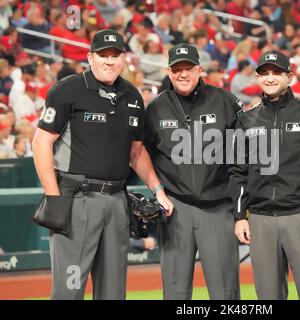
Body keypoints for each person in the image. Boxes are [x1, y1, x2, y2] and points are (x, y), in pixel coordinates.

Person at [32, 29, 173, 300]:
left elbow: (137, 151)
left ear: (123, 59)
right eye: (103, 55)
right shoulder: (67, 89)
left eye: (115, 55)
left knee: (113, 291)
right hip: (77, 199)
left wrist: (157, 189)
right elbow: (41, 143)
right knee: (69, 289)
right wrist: (53, 196)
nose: (109, 61)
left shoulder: (132, 96)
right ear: (90, 57)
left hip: (117, 201)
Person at [231, 50, 300, 300]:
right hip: (260, 219)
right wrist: (239, 216)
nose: (270, 78)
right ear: (257, 78)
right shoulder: (246, 120)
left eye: (277, 72)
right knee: (268, 296)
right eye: (264, 73)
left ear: (289, 77)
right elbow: (238, 172)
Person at [144, 43, 242, 300]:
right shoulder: (155, 109)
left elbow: (245, 155)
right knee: (175, 291)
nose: (183, 74)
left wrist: (241, 205)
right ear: (168, 71)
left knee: (225, 292)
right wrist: (157, 191)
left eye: (188, 68)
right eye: (177, 69)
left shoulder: (225, 101)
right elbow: (140, 154)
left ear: (200, 70)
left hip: (219, 207)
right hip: (175, 210)